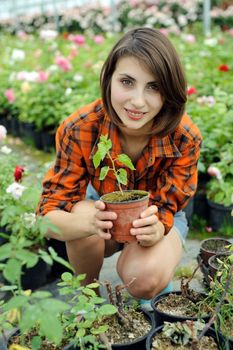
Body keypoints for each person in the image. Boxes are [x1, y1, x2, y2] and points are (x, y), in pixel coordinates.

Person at [36, 27, 202, 307]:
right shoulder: (80, 128)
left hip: (158, 215)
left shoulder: (184, 136)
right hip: (104, 213)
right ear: (108, 78)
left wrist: (157, 229)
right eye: (127, 82)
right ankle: (88, 299)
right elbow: (49, 212)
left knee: (144, 278)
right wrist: (86, 222)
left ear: (169, 91)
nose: (137, 101)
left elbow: (168, 204)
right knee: (79, 213)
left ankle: (156, 288)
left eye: (154, 86)